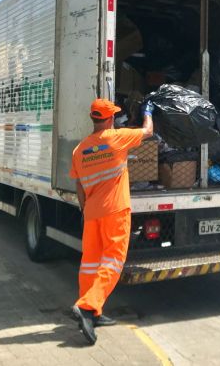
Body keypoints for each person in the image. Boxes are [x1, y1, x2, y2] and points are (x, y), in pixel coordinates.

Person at [68, 98, 154, 345]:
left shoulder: (80, 149)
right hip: (115, 211)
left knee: (90, 263)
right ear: (108, 118)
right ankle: (87, 306)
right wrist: (148, 111)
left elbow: (79, 186)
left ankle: (92, 313)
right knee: (113, 262)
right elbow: (149, 132)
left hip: (92, 213)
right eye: (113, 115)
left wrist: (86, 210)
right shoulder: (117, 137)